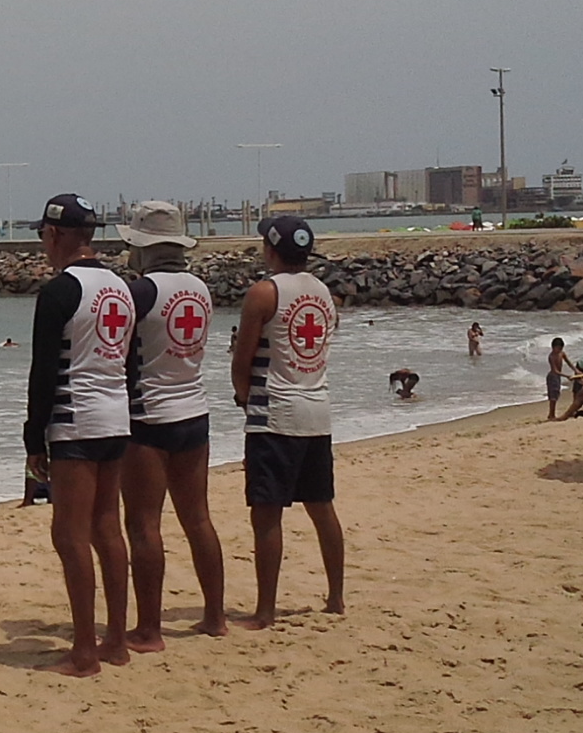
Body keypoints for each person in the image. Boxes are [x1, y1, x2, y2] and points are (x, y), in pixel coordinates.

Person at [26, 193, 135, 676]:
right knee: (108, 527)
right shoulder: (122, 288)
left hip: (76, 420)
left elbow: (43, 371)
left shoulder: (60, 292)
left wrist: (34, 438)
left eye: (44, 236)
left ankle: (85, 650)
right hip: (116, 416)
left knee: (70, 535)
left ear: (56, 235)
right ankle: (115, 640)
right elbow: (129, 362)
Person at [118, 202, 226, 649]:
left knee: (144, 524)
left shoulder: (141, 293)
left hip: (149, 415)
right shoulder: (199, 289)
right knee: (198, 518)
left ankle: (149, 628)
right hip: (193, 409)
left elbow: (121, 353)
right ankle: (215, 616)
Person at [231, 216, 345, 629]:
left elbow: (241, 361)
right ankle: (335, 597)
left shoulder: (264, 293)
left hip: (275, 412)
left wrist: (244, 400)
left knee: (266, 514)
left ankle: (265, 610)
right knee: (322, 507)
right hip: (318, 409)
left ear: (272, 250)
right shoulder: (322, 292)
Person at [546, 338, 571, 421]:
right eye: (558, 348)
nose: (560, 350)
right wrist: (566, 375)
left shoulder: (562, 354)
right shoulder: (551, 356)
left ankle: (551, 414)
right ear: (553, 347)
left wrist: (576, 370)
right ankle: (551, 414)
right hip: (553, 376)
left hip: (558, 376)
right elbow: (555, 370)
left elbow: (569, 362)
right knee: (553, 396)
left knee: (556, 395)